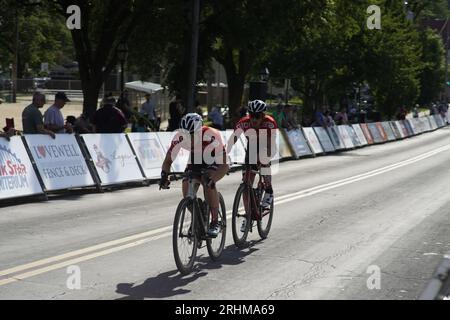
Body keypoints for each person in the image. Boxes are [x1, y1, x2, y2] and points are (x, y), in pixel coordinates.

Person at [160, 113, 229, 237]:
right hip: (196, 158)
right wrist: (165, 176)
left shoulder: (212, 135)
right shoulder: (179, 138)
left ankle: (215, 221)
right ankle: (198, 216)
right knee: (186, 186)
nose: (188, 139)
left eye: (192, 135)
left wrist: (213, 179)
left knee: (208, 182)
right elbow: (168, 161)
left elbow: (225, 165)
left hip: (214, 158)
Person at [228, 100, 278, 232]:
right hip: (251, 148)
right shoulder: (243, 122)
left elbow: (270, 145)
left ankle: (268, 190)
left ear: (263, 115)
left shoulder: (269, 123)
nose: (255, 119)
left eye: (258, 116)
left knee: (264, 159)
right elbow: (233, 139)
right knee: (246, 184)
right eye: (252, 115)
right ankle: (248, 215)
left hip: (266, 145)